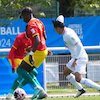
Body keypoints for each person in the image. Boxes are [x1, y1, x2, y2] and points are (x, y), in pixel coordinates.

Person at [52, 15, 100, 98]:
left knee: (79, 79)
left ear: (58, 28)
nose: (55, 31)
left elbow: (79, 47)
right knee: (66, 72)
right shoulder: (66, 32)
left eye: (55, 29)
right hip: (76, 57)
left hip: (80, 58)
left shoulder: (68, 35)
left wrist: (75, 60)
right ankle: (80, 89)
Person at [11, 7, 48, 100]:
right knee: (30, 71)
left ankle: (37, 88)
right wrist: (32, 47)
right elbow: (45, 37)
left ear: (27, 15)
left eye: (23, 16)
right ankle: (41, 93)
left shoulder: (31, 25)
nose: (23, 19)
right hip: (43, 51)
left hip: (38, 52)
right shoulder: (39, 22)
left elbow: (37, 40)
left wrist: (31, 53)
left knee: (20, 70)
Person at [6, 32, 40, 99]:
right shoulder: (20, 38)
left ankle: (18, 88)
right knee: (22, 74)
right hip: (14, 58)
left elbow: (30, 50)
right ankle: (10, 94)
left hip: (21, 59)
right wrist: (13, 65)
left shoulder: (32, 38)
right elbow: (11, 52)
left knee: (35, 73)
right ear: (27, 30)